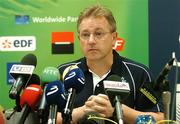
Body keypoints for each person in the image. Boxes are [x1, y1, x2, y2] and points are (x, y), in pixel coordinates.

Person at [57, 4, 164, 124]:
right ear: (79, 38)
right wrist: (82, 111)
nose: (91, 41)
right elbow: (47, 118)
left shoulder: (139, 73)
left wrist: (117, 110)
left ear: (114, 38)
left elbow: (160, 119)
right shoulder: (64, 72)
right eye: (85, 35)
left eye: (98, 34)